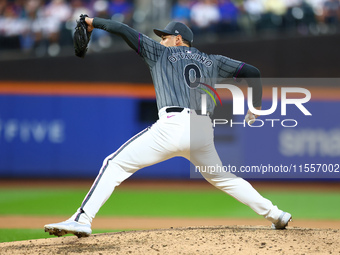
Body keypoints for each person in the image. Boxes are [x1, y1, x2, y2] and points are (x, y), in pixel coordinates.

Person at [44, 16, 292, 238]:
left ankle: (82, 219)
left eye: (165, 37)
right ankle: (276, 214)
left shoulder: (159, 53)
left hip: (174, 125)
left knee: (115, 163)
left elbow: (122, 29)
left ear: (178, 38)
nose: (161, 40)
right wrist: (256, 107)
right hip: (203, 131)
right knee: (224, 178)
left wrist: (91, 21)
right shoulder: (212, 60)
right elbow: (253, 71)